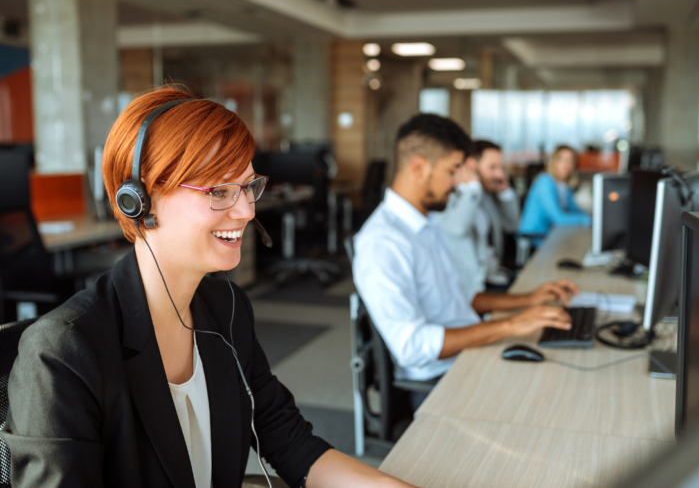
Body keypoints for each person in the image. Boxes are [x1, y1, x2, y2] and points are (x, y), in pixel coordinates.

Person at [1, 88, 416, 488]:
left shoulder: (227, 307)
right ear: (141, 198)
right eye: (219, 191)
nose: (247, 210)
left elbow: (291, 443)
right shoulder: (63, 353)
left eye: (249, 186)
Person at [352, 114, 578, 407]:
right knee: (555, 398)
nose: (460, 182)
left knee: (566, 374)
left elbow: (462, 298)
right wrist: (511, 325)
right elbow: (412, 346)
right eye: (453, 171)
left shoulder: (428, 223)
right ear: (418, 167)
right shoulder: (382, 242)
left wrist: (528, 300)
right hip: (439, 379)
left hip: (471, 353)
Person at [435, 140, 519, 294]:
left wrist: (505, 193)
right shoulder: (453, 195)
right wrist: (472, 188)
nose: (500, 175)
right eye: (493, 167)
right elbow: (457, 228)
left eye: (501, 168)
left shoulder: (486, 195)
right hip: (473, 289)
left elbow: (512, 225)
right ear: (471, 166)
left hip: (495, 277)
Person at [518, 145, 591, 241]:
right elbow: (558, 218)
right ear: (554, 162)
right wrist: (585, 219)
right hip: (533, 238)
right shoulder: (544, 181)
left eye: (571, 161)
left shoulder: (563, 185)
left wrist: (591, 216)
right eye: (562, 160)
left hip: (551, 234)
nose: (567, 164)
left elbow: (574, 209)